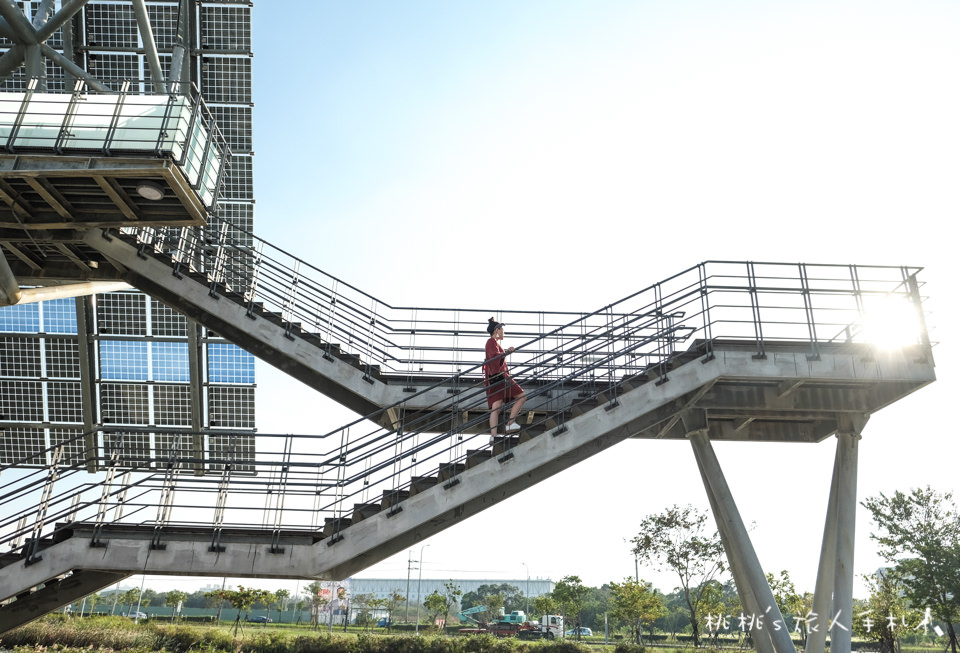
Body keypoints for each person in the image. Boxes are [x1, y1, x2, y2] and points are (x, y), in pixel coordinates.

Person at [484, 317, 526, 439]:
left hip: (495, 379)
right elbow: (494, 357)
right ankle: (510, 423)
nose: (503, 332)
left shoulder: (493, 343)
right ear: (496, 330)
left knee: (496, 408)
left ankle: (493, 436)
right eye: (501, 329)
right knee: (522, 396)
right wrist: (506, 352)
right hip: (501, 378)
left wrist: (505, 353)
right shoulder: (491, 342)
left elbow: (495, 358)